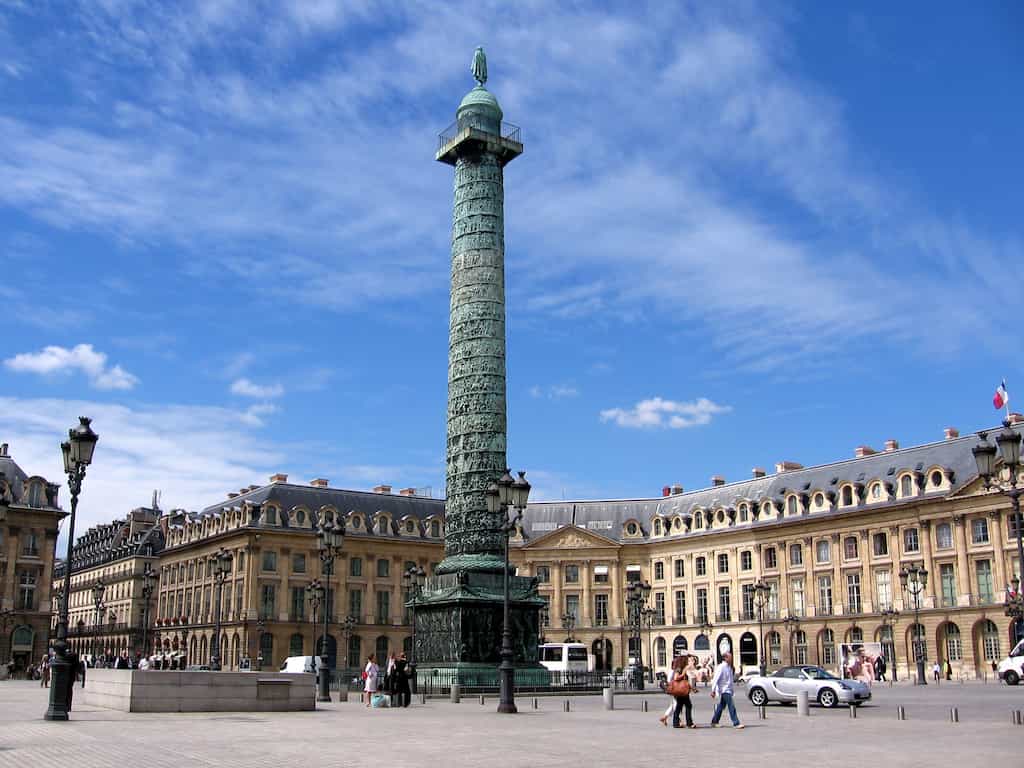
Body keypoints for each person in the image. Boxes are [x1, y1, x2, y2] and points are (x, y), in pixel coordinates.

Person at [709, 652, 744, 729]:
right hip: (724, 690)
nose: (731, 659)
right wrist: (713, 690)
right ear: (725, 658)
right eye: (729, 657)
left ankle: (714, 721)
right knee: (731, 705)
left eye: (731, 657)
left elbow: (731, 680)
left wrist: (732, 690)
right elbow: (715, 679)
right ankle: (736, 723)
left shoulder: (729, 667)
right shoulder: (721, 667)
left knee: (721, 706)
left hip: (728, 690)